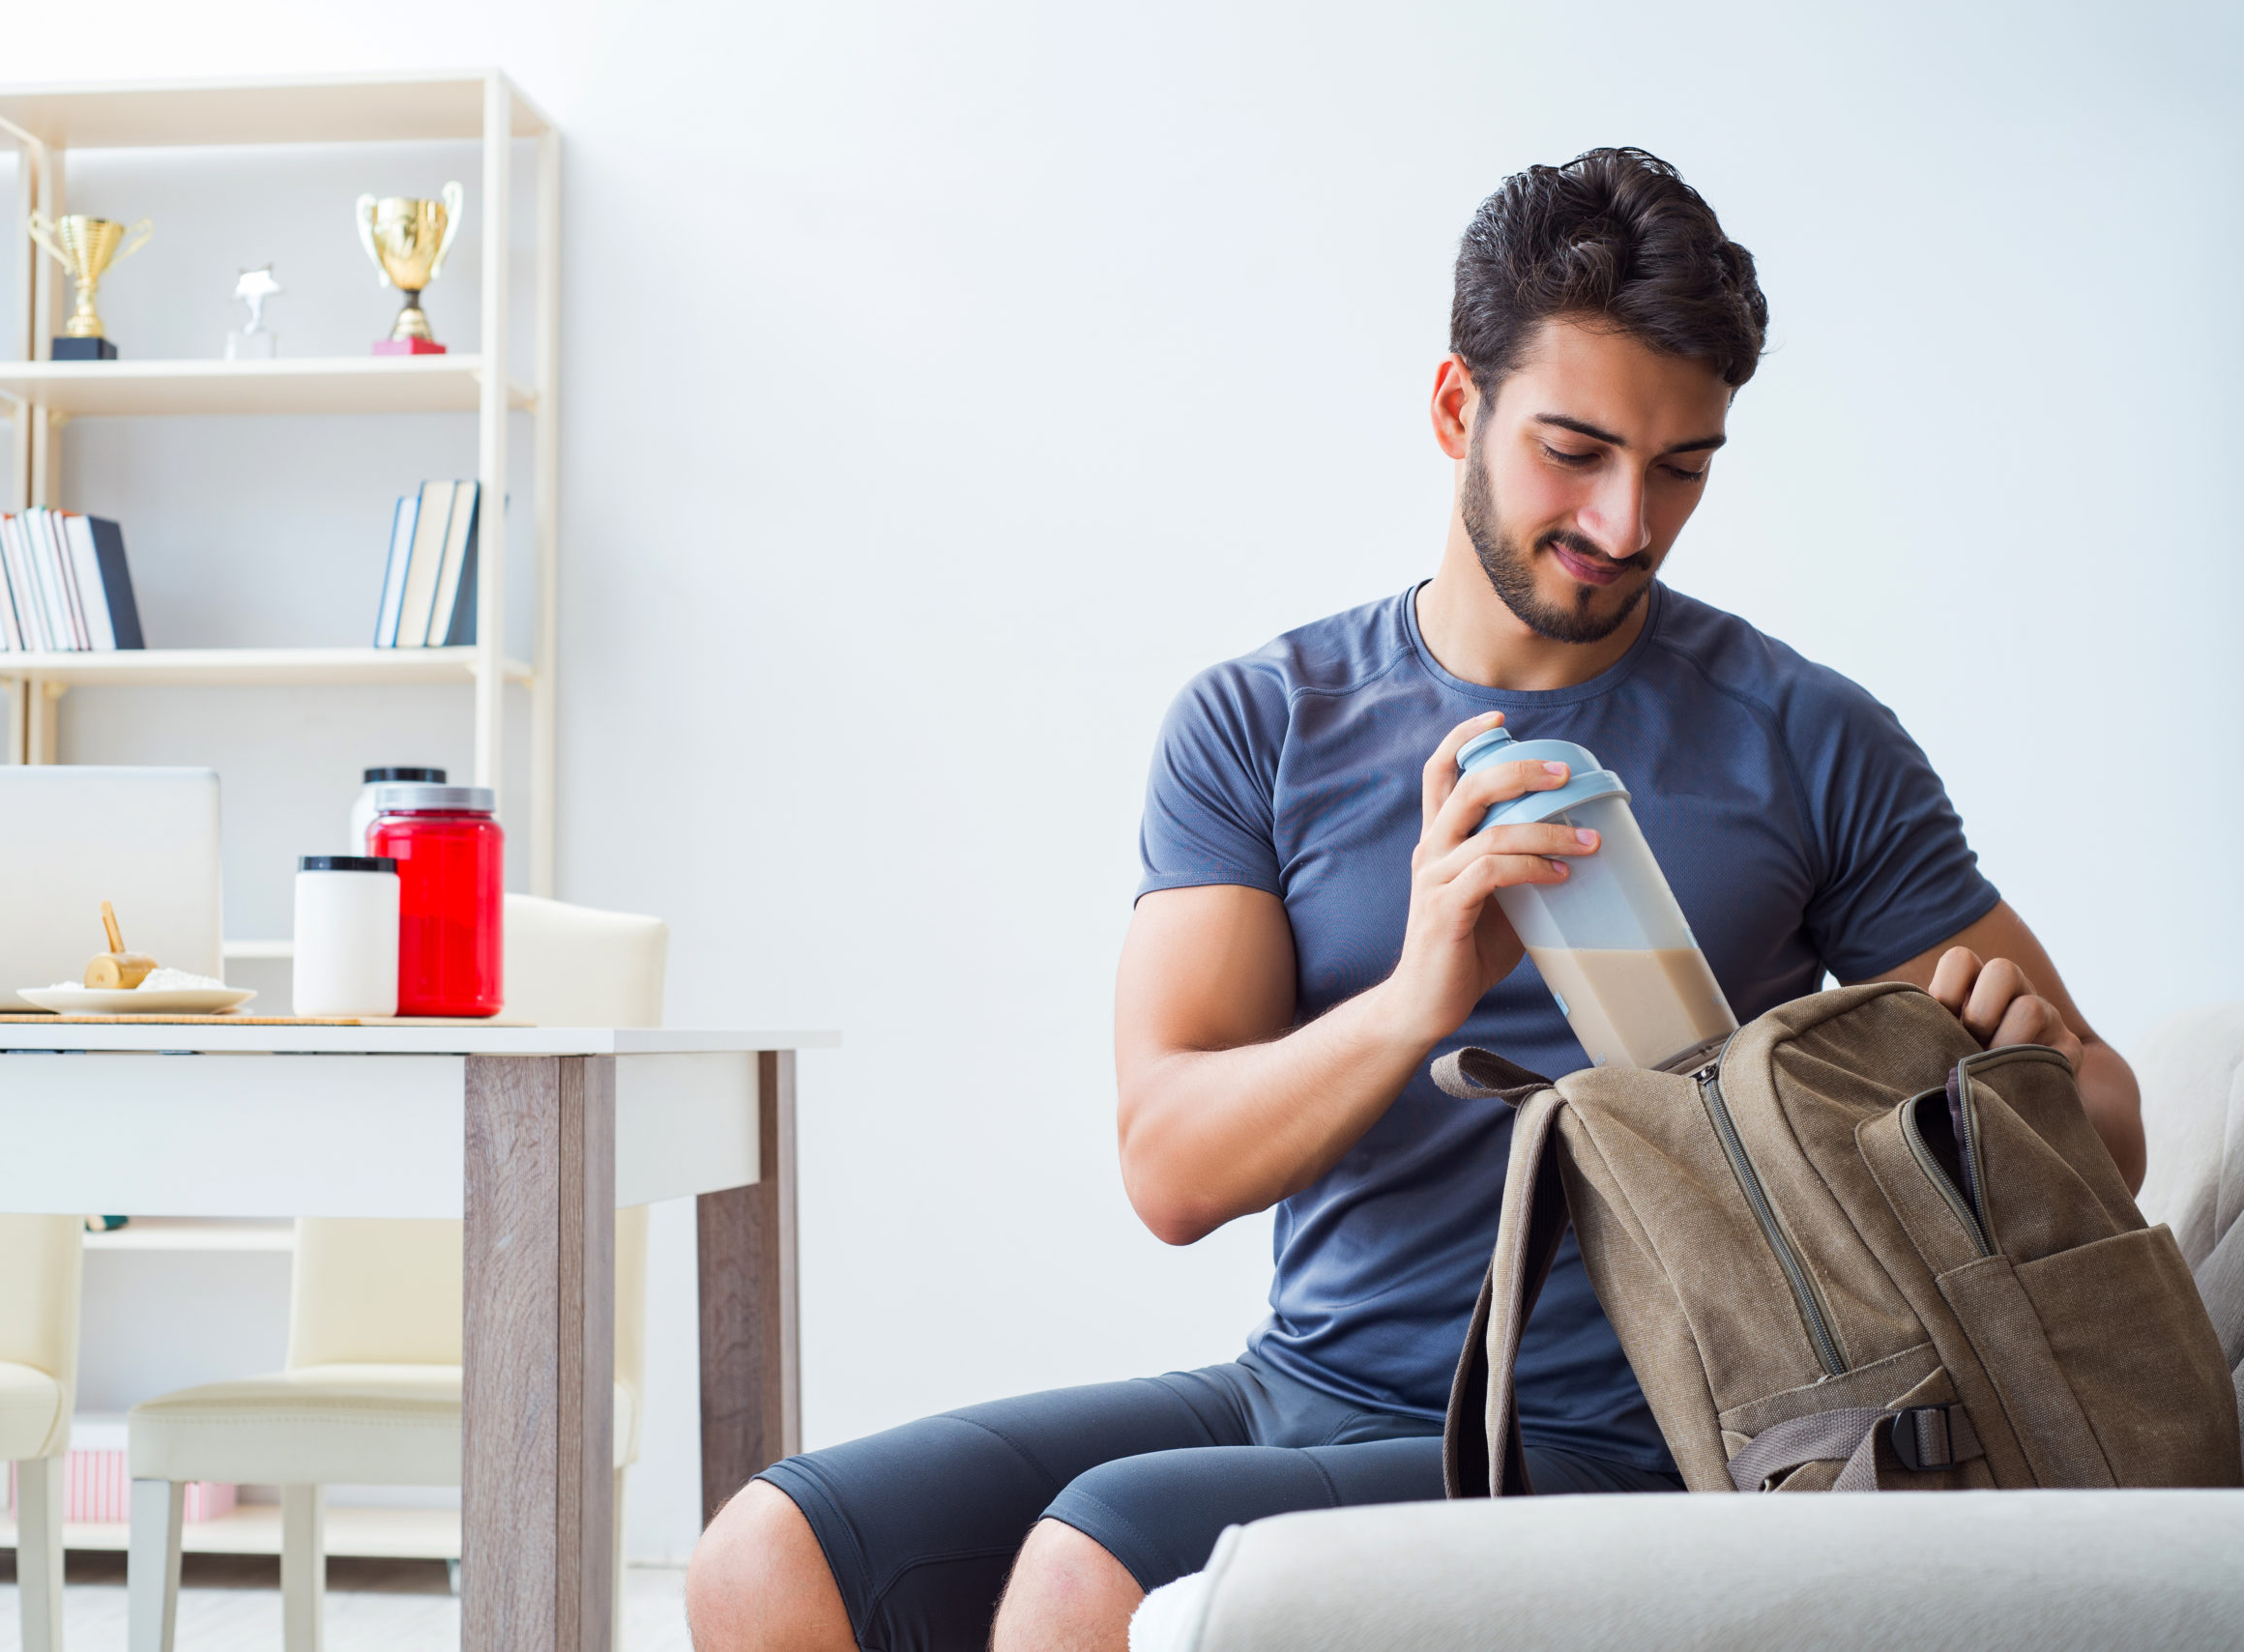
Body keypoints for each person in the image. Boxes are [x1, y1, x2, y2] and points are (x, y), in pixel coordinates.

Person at [685, 147, 2144, 1652]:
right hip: (1305, 1381)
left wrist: (2007, 1074)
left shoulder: (1804, 734)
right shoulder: (1261, 720)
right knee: (763, 1556)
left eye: (1682, 466)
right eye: (1574, 450)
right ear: (1458, 407)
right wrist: (1416, 997)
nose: (1627, 521)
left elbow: (2108, 1114)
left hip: (1634, 1433)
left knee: (1086, 1571)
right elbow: (1170, 1166)